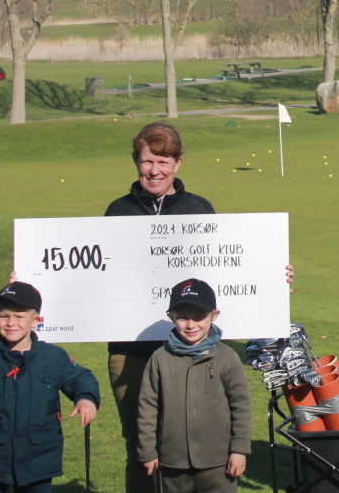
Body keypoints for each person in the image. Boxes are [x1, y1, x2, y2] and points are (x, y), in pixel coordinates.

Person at [104, 122, 215, 493]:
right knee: (139, 445)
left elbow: (223, 269)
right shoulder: (116, 212)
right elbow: (93, 273)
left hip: (188, 352)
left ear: (178, 163)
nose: (155, 170)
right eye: (147, 161)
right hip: (130, 352)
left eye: (163, 161)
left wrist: (273, 276)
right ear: (136, 161)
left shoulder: (200, 209)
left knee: (186, 443)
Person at [0, 282, 100, 493]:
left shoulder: (53, 357)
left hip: (38, 459)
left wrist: (86, 398)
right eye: (4, 316)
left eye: (19, 316)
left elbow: (81, 378)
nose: (11, 322)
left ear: (36, 321)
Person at [137, 279, 253, 493]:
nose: (191, 325)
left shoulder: (227, 358)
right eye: (183, 318)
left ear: (214, 315)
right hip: (173, 462)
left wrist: (239, 450)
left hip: (219, 462)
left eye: (199, 317)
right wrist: (148, 451)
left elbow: (242, 407)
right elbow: (147, 408)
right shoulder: (159, 359)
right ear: (171, 317)